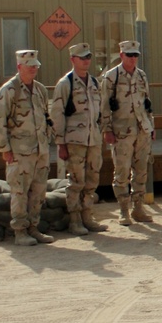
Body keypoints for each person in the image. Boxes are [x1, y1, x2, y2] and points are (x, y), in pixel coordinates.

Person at [0, 50, 54, 246]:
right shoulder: (9, 90)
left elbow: (46, 117)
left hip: (40, 151)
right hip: (20, 151)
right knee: (19, 191)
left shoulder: (40, 90)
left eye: (35, 65)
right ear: (19, 67)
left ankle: (33, 227)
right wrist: (5, 149)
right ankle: (20, 231)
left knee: (39, 191)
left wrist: (47, 140)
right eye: (29, 65)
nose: (34, 68)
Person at [50, 42, 108, 235]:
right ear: (73, 60)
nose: (86, 61)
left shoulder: (94, 82)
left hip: (93, 139)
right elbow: (57, 114)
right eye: (82, 57)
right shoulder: (65, 84)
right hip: (74, 140)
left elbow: (100, 112)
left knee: (92, 179)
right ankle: (75, 220)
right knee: (76, 181)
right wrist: (60, 142)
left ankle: (87, 216)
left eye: (88, 57)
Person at [101, 40, 154, 226]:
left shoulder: (141, 76)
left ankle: (138, 208)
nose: (133, 58)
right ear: (121, 55)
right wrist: (107, 129)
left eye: (135, 55)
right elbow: (105, 106)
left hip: (142, 129)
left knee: (141, 171)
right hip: (121, 131)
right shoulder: (111, 77)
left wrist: (151, 126)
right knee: (122, 171)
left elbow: (147, 103)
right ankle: (124, 210)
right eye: (129, 55)